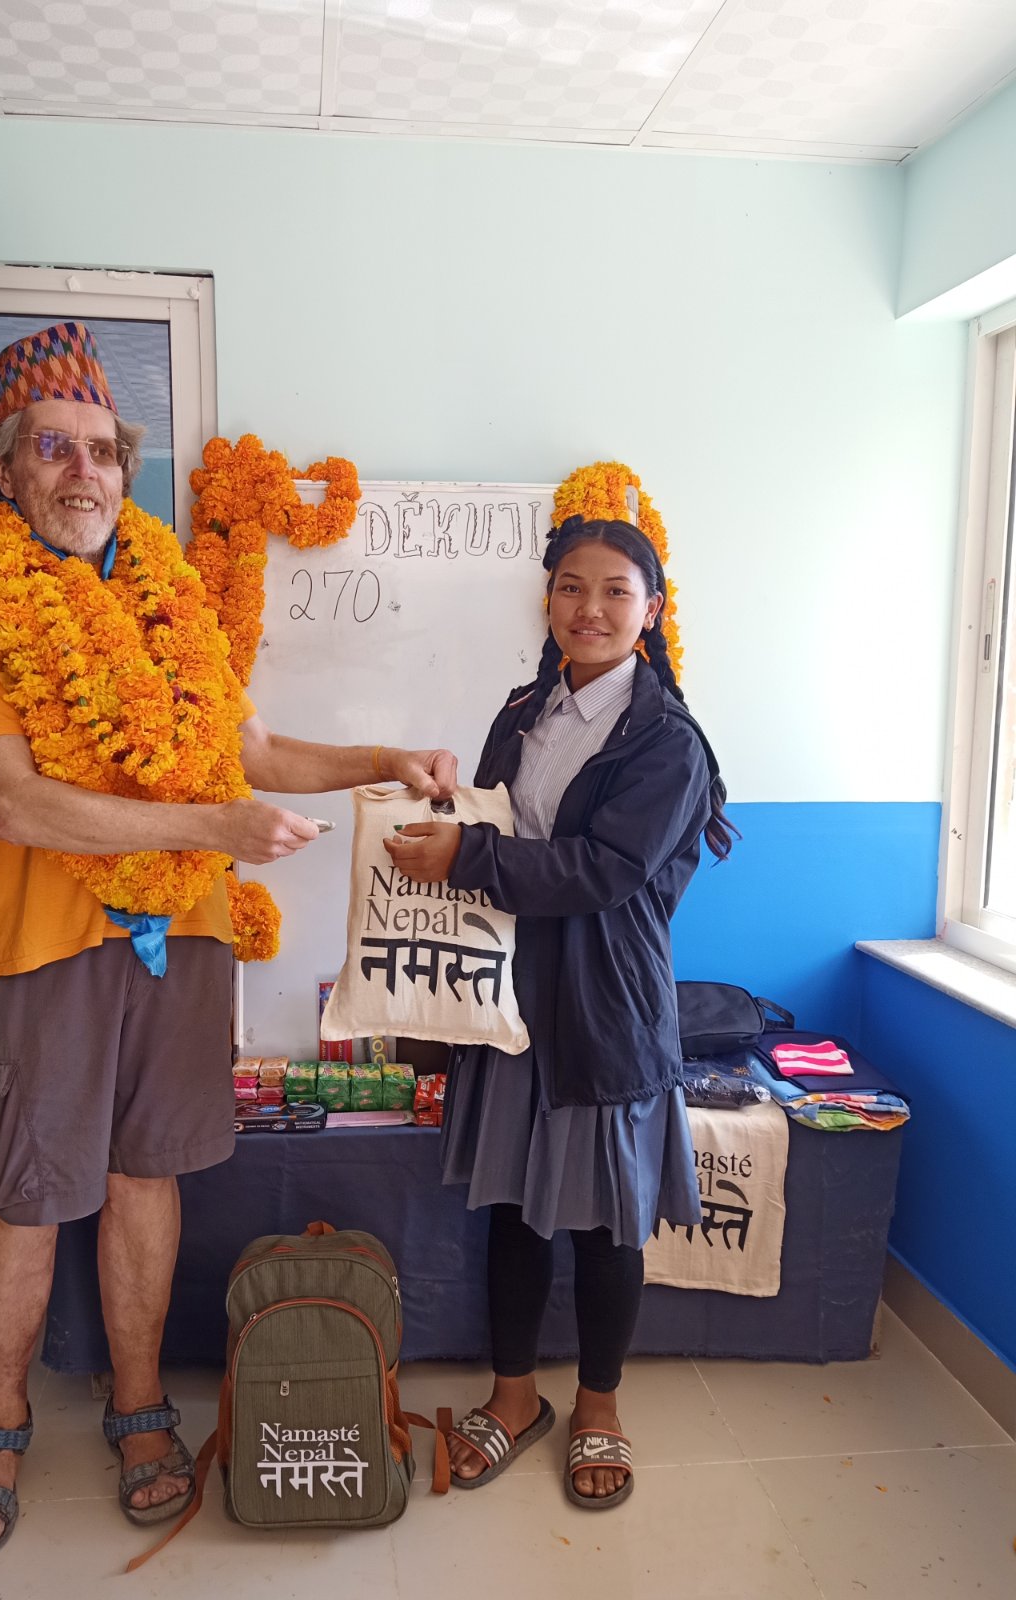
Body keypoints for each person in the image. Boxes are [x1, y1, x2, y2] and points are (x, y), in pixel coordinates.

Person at [0, 321, 456, 1556]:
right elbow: (22, 802)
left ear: (126, 466)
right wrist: (216, 823)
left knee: (144, 1174)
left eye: (103, 449)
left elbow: (251, 750)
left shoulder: (173, 595)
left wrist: (385, 758)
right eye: (52, 448)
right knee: (24, 1194)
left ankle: (139, 1404)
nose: (83, 471)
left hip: (187, 935)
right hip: (48, 940)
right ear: (3, 469)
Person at [382, 514, 734, 1510]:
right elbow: (502, 826)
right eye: (572, 587)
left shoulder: (668, 743)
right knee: (513, 1213)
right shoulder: (524, 709)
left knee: (605, 1228)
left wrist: (471, 855)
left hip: (602, 1011)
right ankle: (513, 1398)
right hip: (509, 1002)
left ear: (650, 611)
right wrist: (449, 808)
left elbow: (604, 869)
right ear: (549, 603)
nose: (591, 608)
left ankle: (599, 1406)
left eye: (616, 591)